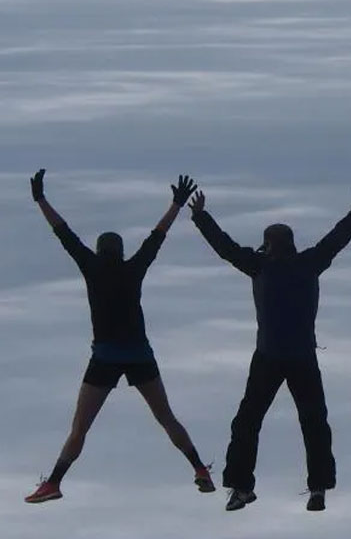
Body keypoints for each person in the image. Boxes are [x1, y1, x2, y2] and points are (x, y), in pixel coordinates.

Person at [188, 181, 351, 512]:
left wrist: (201, 217)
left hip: (268, 357)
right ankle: (318, 487)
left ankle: (240, 487)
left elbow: (225, 247)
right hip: (302, 356)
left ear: (267, 245)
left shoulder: (259, 265)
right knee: (313, 422)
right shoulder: (309, 262)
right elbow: (338, 238)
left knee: (248, 422)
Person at [24, 170, 215, 504]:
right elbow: (159, 235)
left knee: (80, 429)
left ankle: (53, 482)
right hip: (140, 354)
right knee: (166, 417)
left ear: (99, 251)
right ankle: (199, 468)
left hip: (106, 357)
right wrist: (176, 203)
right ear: (121, 251)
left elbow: (62, 232)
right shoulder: (134, 268)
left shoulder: (91, 266)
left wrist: (40, 199)